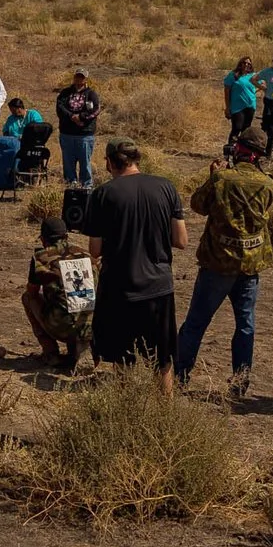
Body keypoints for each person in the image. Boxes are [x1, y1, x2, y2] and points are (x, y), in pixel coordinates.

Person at [175, 130, 273, 397]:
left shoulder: (222, 179)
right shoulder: (269, 184)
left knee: (196, 322)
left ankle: (179, 376)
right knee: (245, 324)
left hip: (218, 263)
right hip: (251, 264)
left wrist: (213, 176)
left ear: (242, 150)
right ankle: (240, 383)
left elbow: (198, 204)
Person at [85, 139, 186, 374]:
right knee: (162, 359)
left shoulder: (102, 194)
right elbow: (181, 240)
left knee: (122, 357)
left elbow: (95, 250)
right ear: (136, 159)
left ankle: (124, 406)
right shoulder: (166, 187)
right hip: (159, 286)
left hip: (120, 287)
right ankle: (165, 408)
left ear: (110, 162)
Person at [22, 218, 90, 371]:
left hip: (61, 326)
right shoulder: (86, 255)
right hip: (90, 327)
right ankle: (81, 351)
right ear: (66, 237)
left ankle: (51, 352)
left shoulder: (41, 258)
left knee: (27, 298)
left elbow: (32, 292)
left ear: (43, 239)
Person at [55, 70, 101, 190]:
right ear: (74, 77)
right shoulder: (65, 93)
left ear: (86, 79)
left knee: (85, 163)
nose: (79, 79)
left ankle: (86, 186)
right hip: (67, 133)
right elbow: (60, 107)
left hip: (84, 135)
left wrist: (81, 117)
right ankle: (71, 185)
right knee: (68, 163)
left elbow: (96, 110)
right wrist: (71, 116)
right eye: (77, 76)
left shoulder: (91, 94)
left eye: (82, 77)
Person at [221, 55, 261, 148]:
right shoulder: (233, 75)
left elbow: (262, 84)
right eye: (244, 63)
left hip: (250, 105)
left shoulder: (253, 76)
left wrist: (254, 91)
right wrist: (228, 107)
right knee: (237, 128)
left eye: (248, 63)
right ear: (240, 63)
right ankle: (230, 149)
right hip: (237, 106)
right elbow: (227, 90)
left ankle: (242, 150)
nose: (246, 65)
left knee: (246, 130)